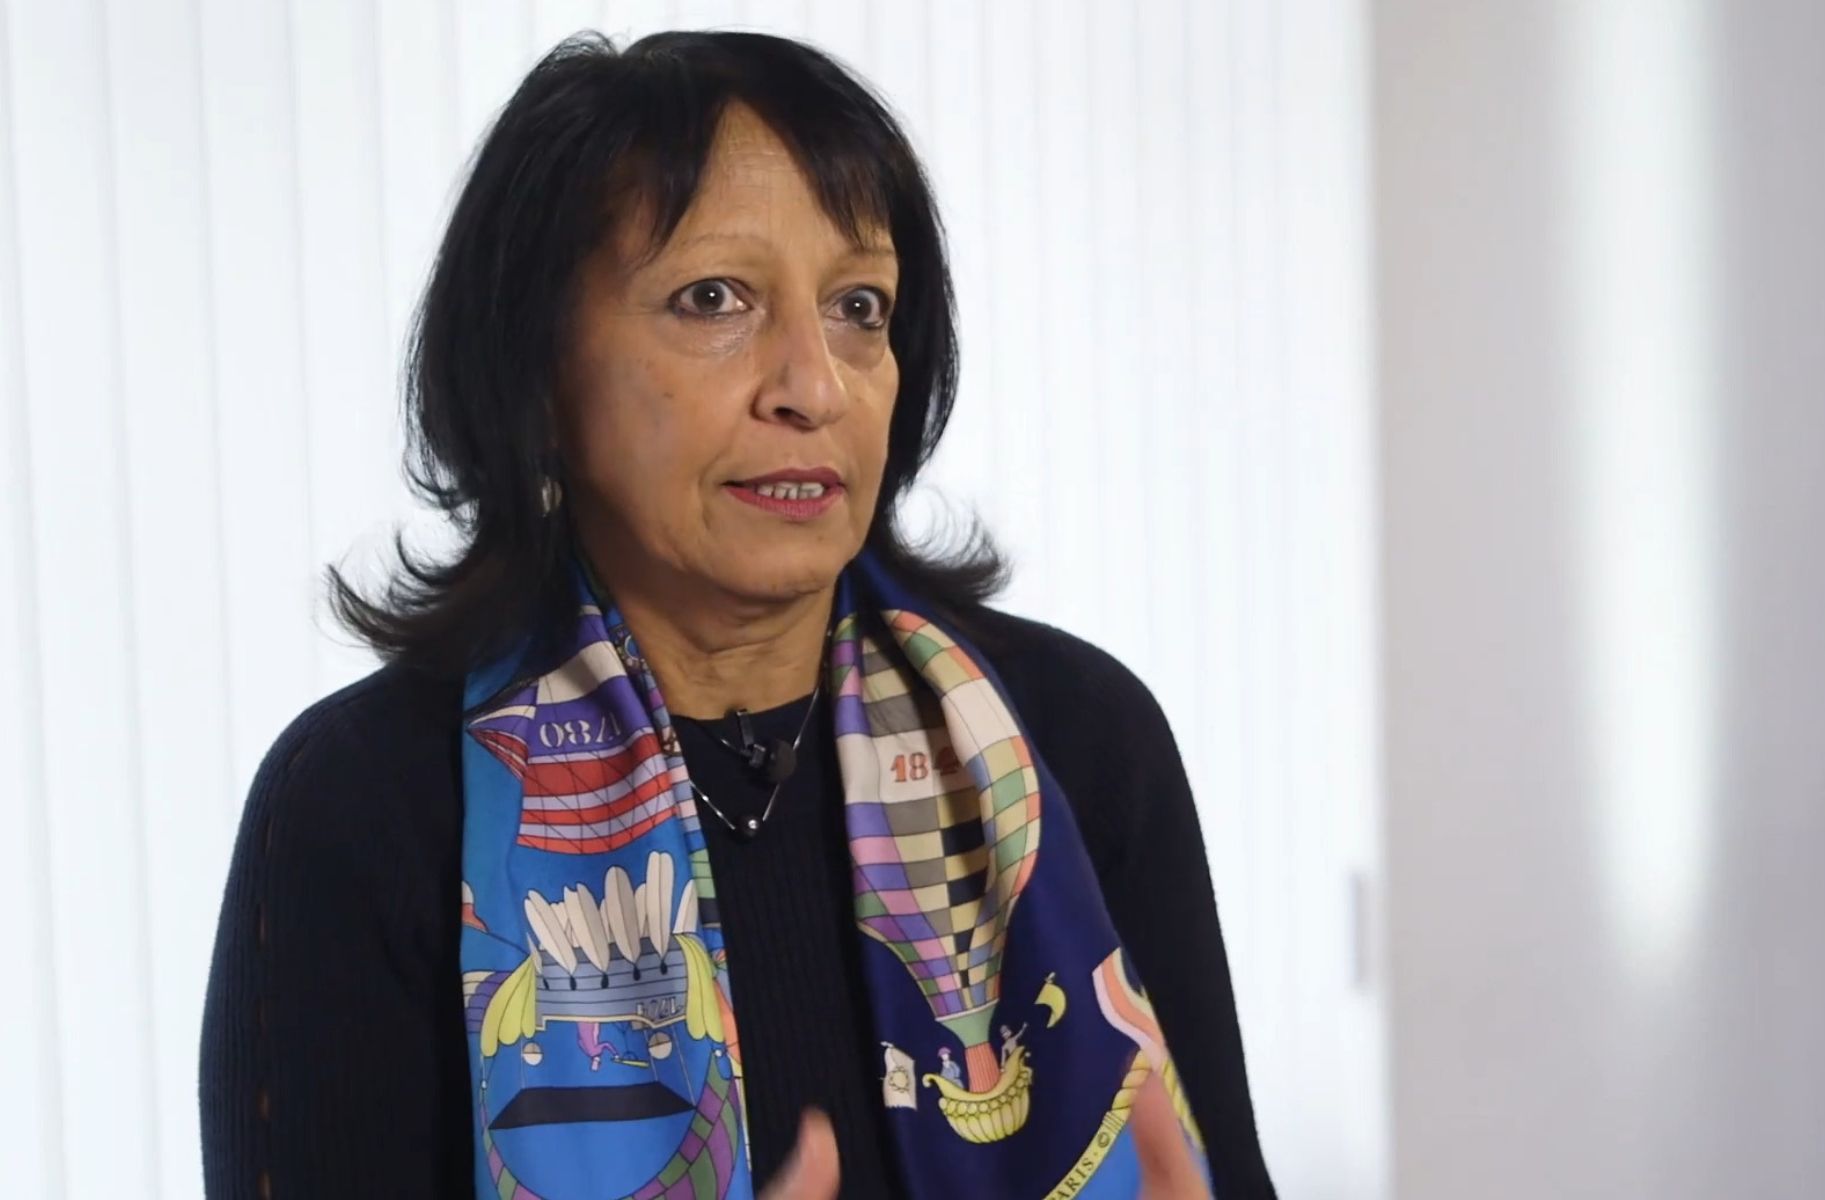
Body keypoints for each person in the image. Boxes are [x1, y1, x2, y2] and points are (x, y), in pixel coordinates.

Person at [197, 29, 1271, 1200]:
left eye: (860, 306)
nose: (813, 385)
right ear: (537, 372)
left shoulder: (1071, 737)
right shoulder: (366, 805)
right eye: (714, 299)